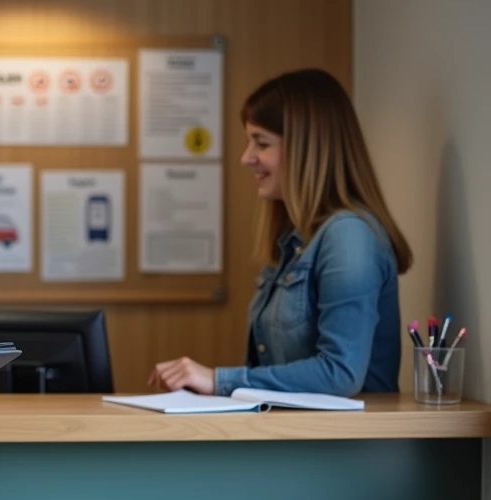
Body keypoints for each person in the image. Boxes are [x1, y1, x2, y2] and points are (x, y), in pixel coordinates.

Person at [148, 68, 412, 398]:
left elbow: (340, 373)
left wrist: (218, 381)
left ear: (307, 148)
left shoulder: (349, 237)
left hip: (346, 433)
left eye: (261, 143)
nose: (246, 158)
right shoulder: (297, 241)